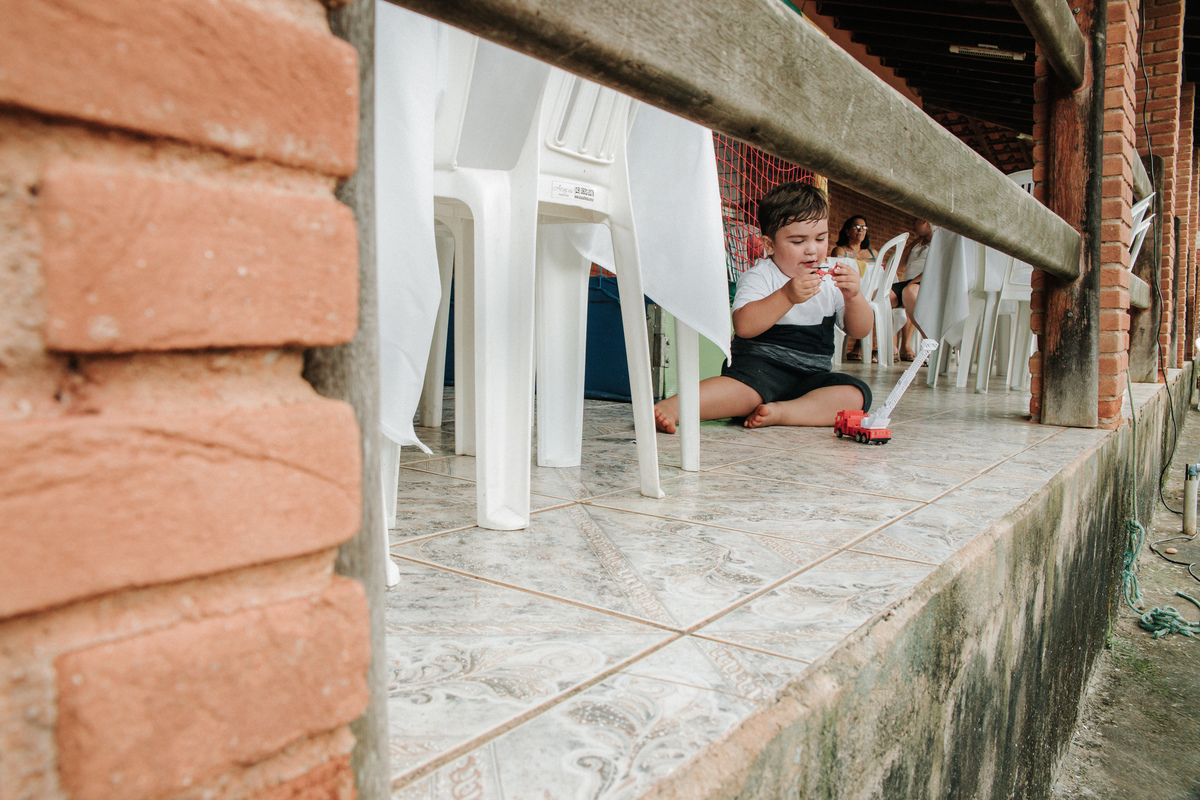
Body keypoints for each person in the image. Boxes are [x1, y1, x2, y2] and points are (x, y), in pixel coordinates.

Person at [653, 181, 875, 432]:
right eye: (798, 241)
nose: (812, 249)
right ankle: (674, 408)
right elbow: (744, 326)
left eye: (820, 238)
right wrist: (786, 296)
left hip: (811, 380)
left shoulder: (832, 281)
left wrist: (854, 297)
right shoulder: (761, 276)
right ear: (769, 245)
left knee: (857, 395)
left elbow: (860, 330)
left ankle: (782, 412)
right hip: (757, 373)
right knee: (738, 390)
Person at [832, 215, 875, 362]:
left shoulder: (873, 252)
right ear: (847, 231)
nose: (861, 230)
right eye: (856, 227)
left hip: (871, 291)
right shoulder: (840, 250)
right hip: (844, 290)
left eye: (864, 227)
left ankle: (865, 347)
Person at [890, 219, 933, 361]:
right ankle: (891, 345)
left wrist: (914, 282)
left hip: (927, 281)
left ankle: (930, 341)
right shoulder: (918, 244)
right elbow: (899, 263)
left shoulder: (939, 242)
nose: (913, 224)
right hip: (909, 281)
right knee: (882, 296)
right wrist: (915, 242)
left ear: (926, 222)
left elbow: (935, 268)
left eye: (916, 220)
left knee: (909, 292)